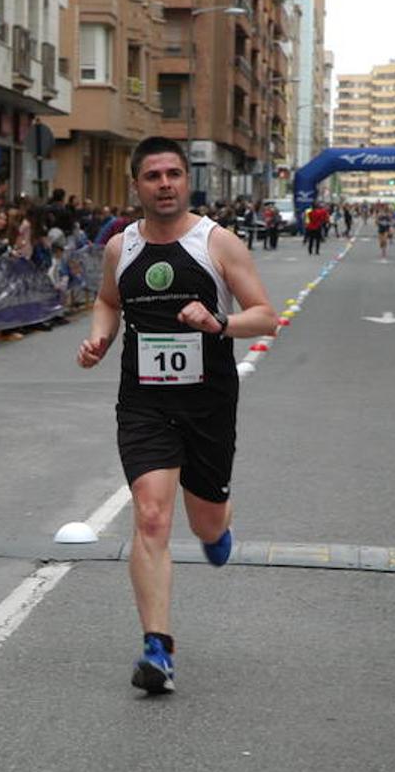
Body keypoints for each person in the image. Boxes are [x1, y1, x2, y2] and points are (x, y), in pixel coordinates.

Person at [76, 136, 278, 695]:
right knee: (151, 516)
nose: (164, 184)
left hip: (208, 403)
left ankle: (220, 524)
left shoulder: (218, 243)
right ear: (136, 185)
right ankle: (157, 648)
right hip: (143, 401)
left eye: (173, 174)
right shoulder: (122, 247)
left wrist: (218, 322)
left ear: (187, 181)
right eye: (152, 176)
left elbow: (265, 317)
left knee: (205, 521)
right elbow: (109, 301)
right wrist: (99, 339)